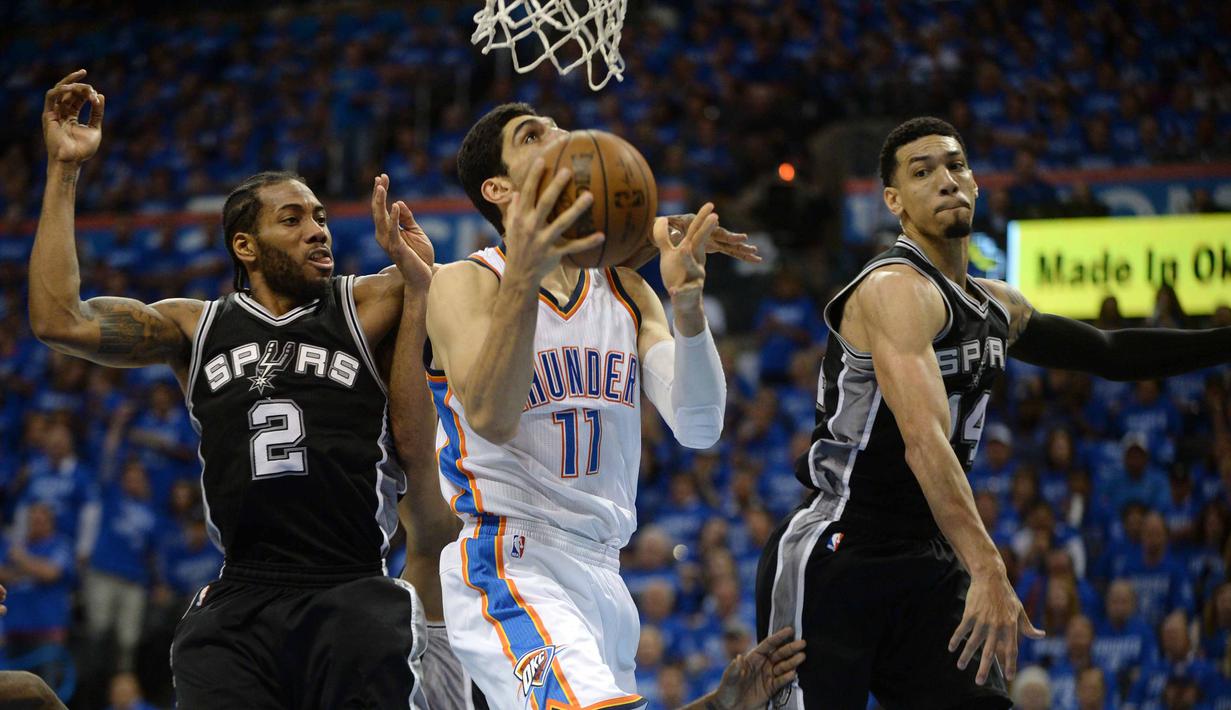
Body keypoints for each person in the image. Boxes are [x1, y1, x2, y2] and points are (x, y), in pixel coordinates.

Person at [757, 116, 1231, 709]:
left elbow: (1110, 353)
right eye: (922, 172)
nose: (946, 180)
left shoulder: (996, 304)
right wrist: (987, 565)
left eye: (956, 165)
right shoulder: (894, 289)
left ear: (976, 183)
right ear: (894, 202)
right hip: (837, 550)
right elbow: (924, 441)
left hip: (926, 551)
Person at [28, 70, 450, 708]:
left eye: (319, 217)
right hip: (240, 597)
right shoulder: (194, 327)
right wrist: (64, 170)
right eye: (293, 219)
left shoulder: (370, 301)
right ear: (246, 247)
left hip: (352, 588)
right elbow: (60, 320)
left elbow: (472, 295)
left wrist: (425, 277)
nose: (318, 230)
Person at [428, 102, 802, 708]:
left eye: (560, 129)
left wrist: (686, 305)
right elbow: (491, 416)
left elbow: (699, 426)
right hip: (510, 559)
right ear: (498, 188)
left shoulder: (625, 291)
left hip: (605, 573)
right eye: (532, 136)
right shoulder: (468, 282)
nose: (559, 138)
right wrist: (528, 269)